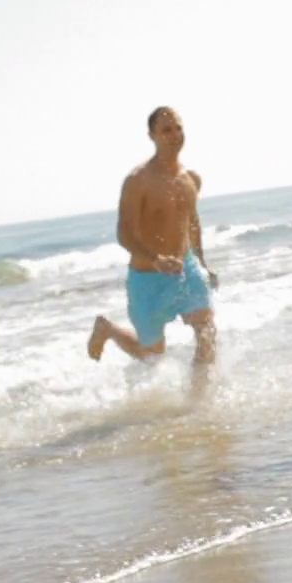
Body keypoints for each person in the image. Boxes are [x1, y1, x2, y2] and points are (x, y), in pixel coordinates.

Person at [88, 107, 219, 383]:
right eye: (166, 130)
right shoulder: (138, 181)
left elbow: (192, 224)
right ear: (152, 136)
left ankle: (196, 402)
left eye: (178, 128)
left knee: (207, 332)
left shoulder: (191, 179)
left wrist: (203, 265)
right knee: (152, 354)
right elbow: (124, 233)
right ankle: (107, 329)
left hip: (186, 269)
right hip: (148, 277)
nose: (175, 135)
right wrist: (156, 259)